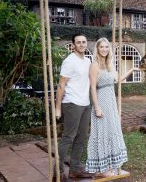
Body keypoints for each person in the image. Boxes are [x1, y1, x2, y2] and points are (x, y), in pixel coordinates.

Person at [85, 37, 137, 178]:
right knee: (101, 133)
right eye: (101, 47)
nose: (104, 49)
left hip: (111, 101)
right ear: (97, 48)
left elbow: (118, 79)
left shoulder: (110, 65)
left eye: (106, 47)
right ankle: (101, 169)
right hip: (101, 101)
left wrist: (132, 69)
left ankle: (107, 166)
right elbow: (93, 89)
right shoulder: (94, 65)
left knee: (111, 131)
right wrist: (97, 108)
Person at [55, 33, 93, 180]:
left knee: (81, 137)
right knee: (68, 137)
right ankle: (59, 172)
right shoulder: (69, 61)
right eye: (78, 42)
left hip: (85, 104)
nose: (82, 44)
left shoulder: (87, 61)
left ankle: (75, 170)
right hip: (71, 103)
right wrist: (58, 107)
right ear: (73, 45)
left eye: (84, 42)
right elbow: (61, 85)